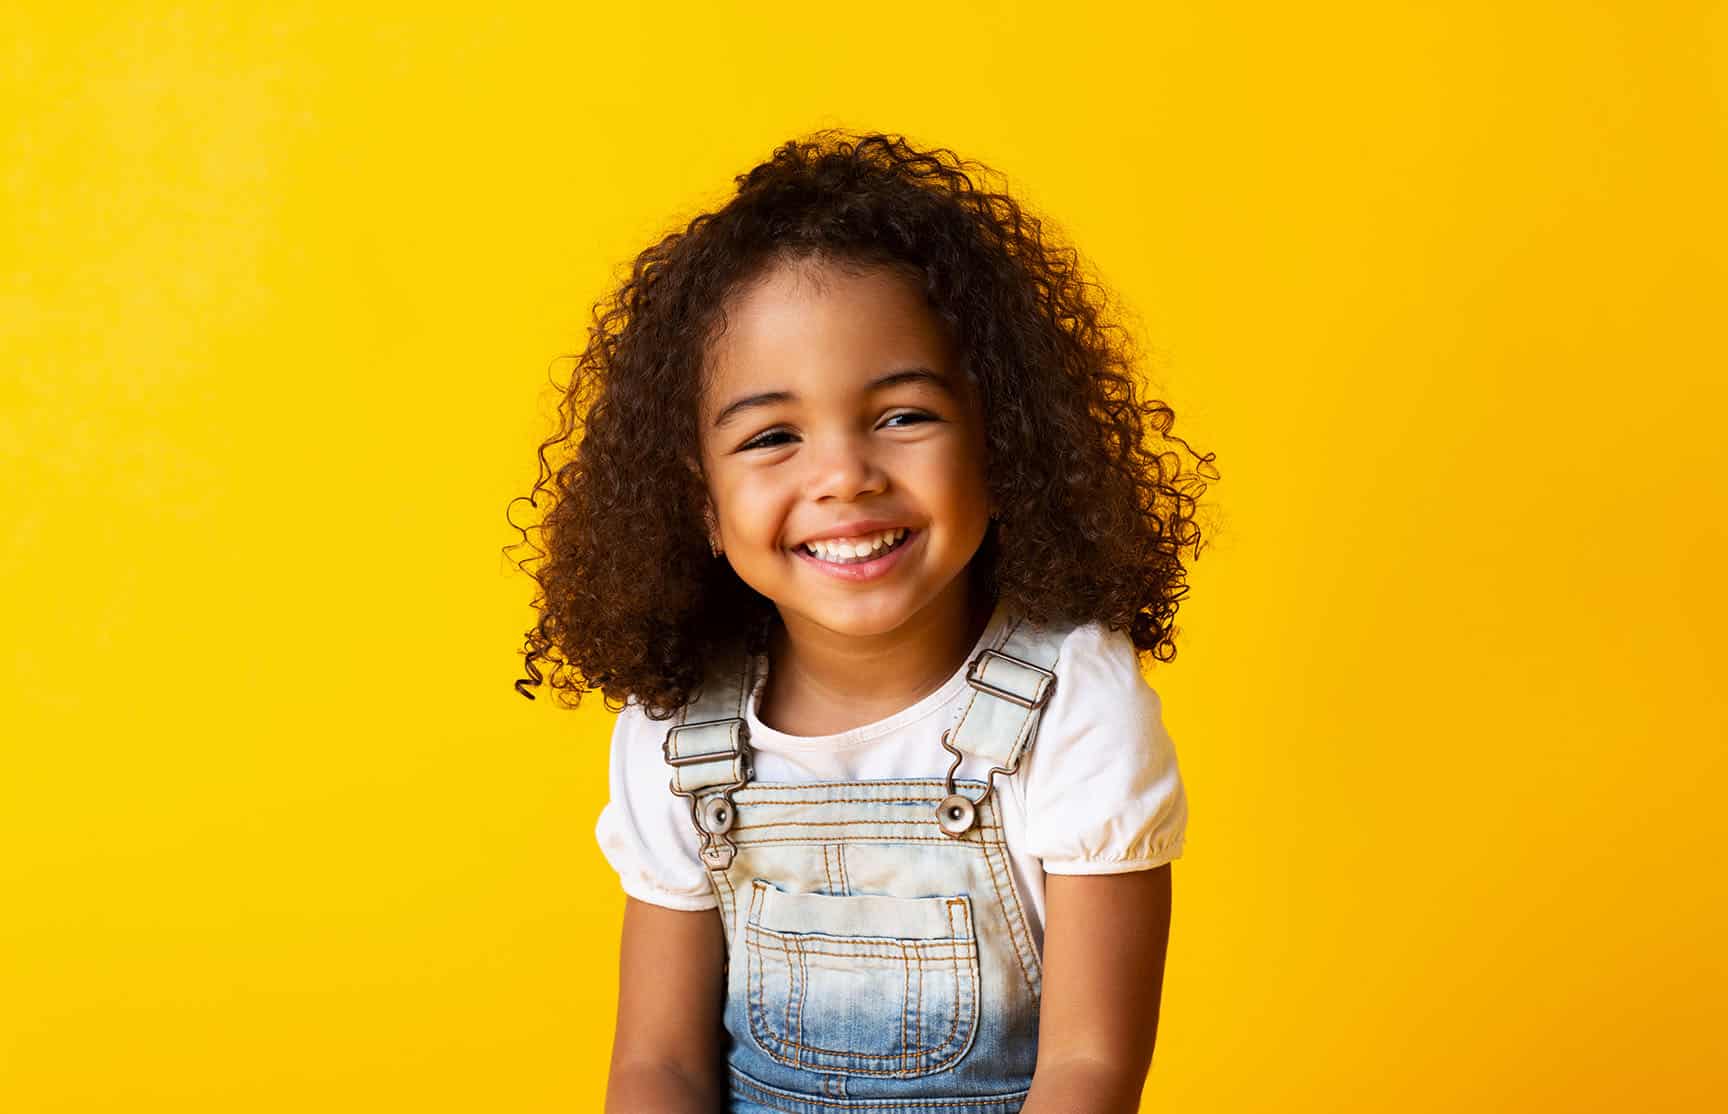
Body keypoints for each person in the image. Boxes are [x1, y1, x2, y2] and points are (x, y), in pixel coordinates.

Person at [506, 130, 1218, 1113]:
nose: (844, 476)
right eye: (772, 436)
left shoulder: (1074, 710)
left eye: (902, 416)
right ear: (702, 504)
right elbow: (656, 1066)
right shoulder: (679, 731)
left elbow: (1089, 1070)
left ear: (999, 439)